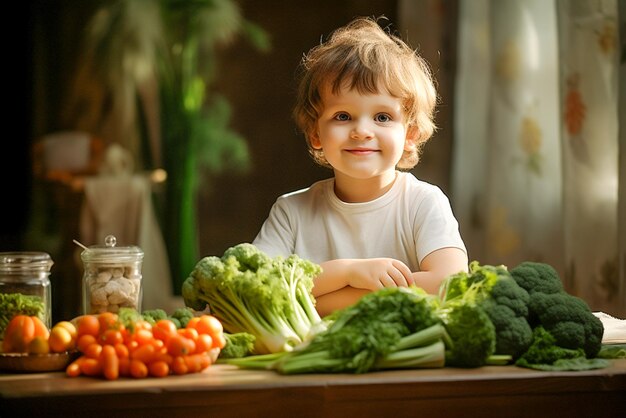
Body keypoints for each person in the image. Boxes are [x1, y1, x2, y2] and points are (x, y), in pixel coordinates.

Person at [253, 16, 468, 317]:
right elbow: (256, 289)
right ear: (316, 134)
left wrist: (313, 301)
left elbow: (448, 285)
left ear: (410, 134)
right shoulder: (291, 212)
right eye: (343, 116)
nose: (362, 131)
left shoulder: (423, 203)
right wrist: (347, 272)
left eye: (382, 117)